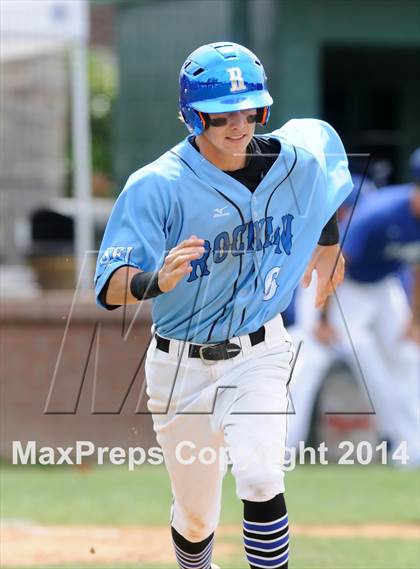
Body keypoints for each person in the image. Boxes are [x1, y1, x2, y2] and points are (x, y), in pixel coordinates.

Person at [95, 42, 352, 569]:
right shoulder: (156, 186)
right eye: (221, 114)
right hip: (179, 366)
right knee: (195, 519)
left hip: (260, 351)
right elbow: (109, 285)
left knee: (260, 477)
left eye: (249, 110)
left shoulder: (294, 160)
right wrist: (154, 280)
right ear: (193, 116)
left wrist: (327, 243)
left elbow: (324, 168)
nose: (239, 124)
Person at [288, 153, 420, 466]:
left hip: (383, 287)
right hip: (337, 283)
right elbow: (334, 259)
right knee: (315, 357)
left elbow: (417, 270)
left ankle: (410, 452)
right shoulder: (379, 213)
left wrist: (414, 321)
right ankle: (279, 451)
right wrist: (321, 319)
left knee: (407, 356)